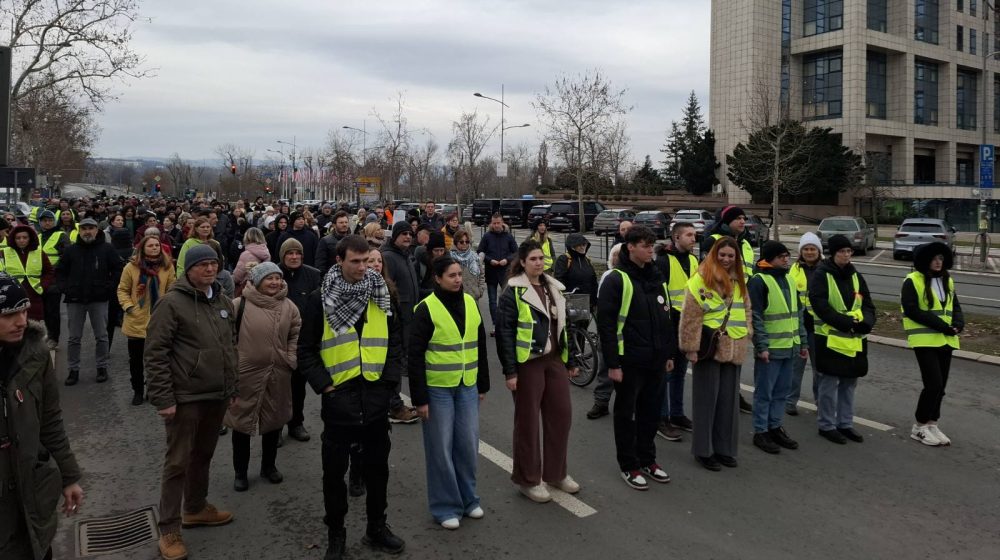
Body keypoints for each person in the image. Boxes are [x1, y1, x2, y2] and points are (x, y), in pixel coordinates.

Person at [297, 235, 407, 560]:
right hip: (339, 400)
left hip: (374, 399)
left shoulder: (381, 294)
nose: (363, 268)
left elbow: (395, 342)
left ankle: (377, 527)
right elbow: (305, 351)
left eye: (366, 260)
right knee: (334, 475)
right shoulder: (320, 298)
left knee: (377, 470)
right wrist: (326, 388)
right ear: (339, 261)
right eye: (355, 262)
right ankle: (337, 533)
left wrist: (389, 385)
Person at [145, 244, 238, 560]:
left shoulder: (223, 301)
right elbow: (155, 353)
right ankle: (169, 530)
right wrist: (163, 398)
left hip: (216, 394)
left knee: (203, 454)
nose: (210, 269)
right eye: (203, 265)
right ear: (188, 269)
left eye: (214, 264)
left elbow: (230, 346)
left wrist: (232, 385)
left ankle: (196, 507)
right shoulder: (171, 303)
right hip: (185, 397)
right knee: (177, 463)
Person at [0, 273, 84, 560]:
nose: (22, 321)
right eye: (9, 314)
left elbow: (50, 421)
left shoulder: (36, 354)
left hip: (33, 490)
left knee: (38, 549)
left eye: (23, 310)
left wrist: (69, 477)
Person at [408, 257, 490, 529]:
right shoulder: (426, 309)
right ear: (438, 278)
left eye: (459, 275)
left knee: (468, 444)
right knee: (440, 448)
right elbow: (415, 357)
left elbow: (479, 345)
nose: (457, 280)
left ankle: (469, 499)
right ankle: (445, 507)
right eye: (452, 275)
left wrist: (483, 385)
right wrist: (419, 399)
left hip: (467, 385)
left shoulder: (470, 302)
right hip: (438, 389)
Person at [497, 240, 580, 501]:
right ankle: (528, 479)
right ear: (522, 262)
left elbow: (563, 327)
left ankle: (556, 473)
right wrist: (511, 372)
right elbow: (505, 333)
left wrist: (570, 361)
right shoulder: (513, 291)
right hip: (528, 363)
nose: (538, 263)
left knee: (561, 415)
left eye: (541, 258)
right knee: (528, 422)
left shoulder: (553, 287)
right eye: (533, 259)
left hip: (554, 359)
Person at [597, 226, 675, 490]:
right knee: (626, 415)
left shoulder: (656, 277)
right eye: (645, 245)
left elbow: (666, 318)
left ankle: (648, 459)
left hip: (655, 359)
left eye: (652, 245)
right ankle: (628, 465)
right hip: (629, 361)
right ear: (630, 247)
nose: (650, 249)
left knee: (650, 414)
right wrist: (613, 364)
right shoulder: (616, 279)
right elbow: (606, 327)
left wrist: (668, 353)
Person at [226, 262, 301, 491]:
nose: (275, 282)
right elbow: (226, 338)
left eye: (278, 278)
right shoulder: (239, 304)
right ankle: (240, 472)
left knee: (273, 421)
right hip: (245, 374)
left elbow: (295, 332)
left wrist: (290, 357)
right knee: (241, 424)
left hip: (278, 373)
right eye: (269, 278)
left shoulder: (289, 306)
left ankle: (269, 466)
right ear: (257, 281)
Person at [679, 236, 752, 472]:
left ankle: (724, 449)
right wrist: (690, 348)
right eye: (722, 255)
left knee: (728, 404)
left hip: (735, 346)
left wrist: (747, 333)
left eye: (731, 256)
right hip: (709, 347)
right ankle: (704, 451)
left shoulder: (740, 281)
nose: (727, 259)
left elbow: (747, 310)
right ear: (714, 254)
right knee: (706, 402)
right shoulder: (701, 279)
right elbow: (691, 316)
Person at [809, 234, 875, 445]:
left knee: (849, 383)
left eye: (849, 251)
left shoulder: (856, 275)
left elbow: (868, 304)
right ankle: (827, 425)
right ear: (833, 253)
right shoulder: (822, 274)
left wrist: (866, 323)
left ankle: (845, 423)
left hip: (854, 338)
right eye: (842, 252)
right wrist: (845, 322)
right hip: (830, 338)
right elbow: (820, 305)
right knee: (829, 384)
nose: (846, 256)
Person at [747, 241, 807, 455]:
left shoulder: (789, 280)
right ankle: (761, 431)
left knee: (781, 392)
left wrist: (803, 342)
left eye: (787, 256)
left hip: (790, 347)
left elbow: (798, 314)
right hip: (770, 350)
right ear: (769, 258)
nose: (786, 259)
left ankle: (775, 426)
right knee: (765, 393)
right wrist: (761, 346)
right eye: (781, 256)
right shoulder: (758, 281)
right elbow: (756, 317)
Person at [901, 242, 962, 446]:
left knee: (941, 386)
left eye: (941, 259)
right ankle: (918, 427)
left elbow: (955, 306)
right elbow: (912, 310)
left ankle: (932, 423)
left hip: (946, 339)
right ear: (925, 260)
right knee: (933, 384)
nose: (938, 262)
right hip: (925, 339)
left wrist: (958, 324)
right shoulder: (912, 280)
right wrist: (942, 326)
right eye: (934, 258)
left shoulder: (947, 280)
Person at [701, 206, 755, 414]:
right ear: (727, 220)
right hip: (719, 306)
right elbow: (706, 274)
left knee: (735, 355)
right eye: (738, 218)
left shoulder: (746, 244)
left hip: (740, 307)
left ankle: (733, 394)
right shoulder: (713, 240)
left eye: (744, 218)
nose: (743, 221)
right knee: (717, 355)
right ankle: (715, 399)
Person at [56, 218, 122, 386]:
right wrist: (65, 288)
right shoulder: (71, 250)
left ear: (96, 230)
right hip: (75, 299)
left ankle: (102, 367)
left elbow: (117, 269)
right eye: (84, 228)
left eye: (91, 228)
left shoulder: (107, 249)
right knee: (74, 338)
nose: (87, 231)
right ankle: (73, 370)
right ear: (79, 231)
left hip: (99, 299)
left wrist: (108, 288)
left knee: (101, 336)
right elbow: (60, 272)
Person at [651, 222, 699, 441]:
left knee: (679, 372)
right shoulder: (663, 262)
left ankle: (677, 414)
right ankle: (661, 418)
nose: (693, 239)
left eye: (695, 235)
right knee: (666, 373)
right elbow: (658, 297)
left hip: (687, 325)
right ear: (676, 238)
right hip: (669, 325)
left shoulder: (692, 259)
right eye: (689, 235)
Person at [118, 235, 176, 406]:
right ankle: (137, 390)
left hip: (160, 320)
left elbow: (173, 287)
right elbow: (123, 289)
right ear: (142, 248)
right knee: (136, 361)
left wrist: (169, 308)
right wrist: (129, 307)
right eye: (150, 245)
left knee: (158, 361)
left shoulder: (167, 267)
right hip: (137, 320)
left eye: (157, 245)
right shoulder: (131, 267)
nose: (154, 248)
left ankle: (153, 389)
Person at [278, 238, 322, 443]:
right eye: (290, 253)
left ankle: (296, 422)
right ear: (282, 256)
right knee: (277, 387)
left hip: (303, 341)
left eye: (298, 253)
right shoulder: (274, 275)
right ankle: (274, 428)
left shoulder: (313, 275)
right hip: (278, 340)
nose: (294, 257)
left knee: (298, 386)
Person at [380, 222, 421, 424]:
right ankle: (393, 407)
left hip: (409, 319)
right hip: (397, 320)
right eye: (403, 234)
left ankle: (395, 402)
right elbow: (389, 292)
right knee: (394, 364)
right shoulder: (388, 257)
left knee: (402, 360)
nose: (407, 237)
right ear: (395, 236)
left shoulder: (407, 256)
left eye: (410, 234)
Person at [786, 232, 823, 414]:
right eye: (806, 249)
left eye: (813, 249)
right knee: (796, 367)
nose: (809, 252)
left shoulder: (825, 270)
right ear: (801, 252)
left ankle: (821, 402)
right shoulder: (794, 269)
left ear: (819, 251)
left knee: (820, 369)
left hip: (819, 326)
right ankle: (790, 402)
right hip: (799, 325)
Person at [586, 243, 623, 420]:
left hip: (626, 333)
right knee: (605, 368)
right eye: (614, 255)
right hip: (609, 331)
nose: (616, 258)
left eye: (619, 255)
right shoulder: (609, 276)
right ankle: (601, 403)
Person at [3, 225, 55, 329]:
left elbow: (49, 271)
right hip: (13, 295)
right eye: (18, 238)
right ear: (13, 239)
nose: (21, 240)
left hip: (34, 294)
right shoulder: (3, 253)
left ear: (30, 238)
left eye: (25, 237)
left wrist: (42, 285)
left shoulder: (39, 252)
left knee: (34, 327)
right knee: (15, 325)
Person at [477, 214, 518, 335]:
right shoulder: (487, 236)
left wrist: (507, 260)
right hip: (491, 272)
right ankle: (495, 324)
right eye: (494, 223)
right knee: (492, 301)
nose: (496, 225)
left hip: (505, 272)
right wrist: (489, 260)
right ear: (491, 223)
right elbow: (480, 251)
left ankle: (506, 324)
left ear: (502, 223)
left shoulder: (508, 236)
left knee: (506, 299)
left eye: (498, 223)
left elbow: (516, 252)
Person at [36, 211, 68, 350]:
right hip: (38, 278)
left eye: (49, 220)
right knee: (41, 310)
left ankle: (54, 338)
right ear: (40, 222)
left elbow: (66, 256)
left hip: (54, 279)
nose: (47, 223)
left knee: (52, 311)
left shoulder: (61, 235)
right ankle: (45, 336)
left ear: (54, 221)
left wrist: (53, 270)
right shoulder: (37, 236)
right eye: (44, 220)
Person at [553, 233, 598, 308]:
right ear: (572, 247)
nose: (583, 247)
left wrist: (595, 300)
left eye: (584, 244)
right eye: (579, 245)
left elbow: (593, 280)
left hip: (588, 303)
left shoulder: (586, 259)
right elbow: (559, 280)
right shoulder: (564, 259)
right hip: (572, 303)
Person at [449, 229, 485, 301]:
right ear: (456, 243)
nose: (465, 243)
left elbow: (481, 274)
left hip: (474, 296)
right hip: (456, 297)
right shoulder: (450, 258)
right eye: (461, 242)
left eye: (467, 241)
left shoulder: (474, 256)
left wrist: (480, 291)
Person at [233, 227, 270, 297]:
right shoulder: (266, 251)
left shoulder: (246, 254)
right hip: (262, 288)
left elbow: (238, 277)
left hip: (247, 289)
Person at [316, 211, 351, 276]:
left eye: (346, 222)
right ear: (334, 225)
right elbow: (320, 264)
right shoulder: (325, 241)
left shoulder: (353, 240)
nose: (344, 224)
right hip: (332, 278)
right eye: (341, 222)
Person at [416, 231, 447, 298]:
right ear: (430, 251)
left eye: (441, 250)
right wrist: (435, 292)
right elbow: (415, 289)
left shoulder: (448, 265)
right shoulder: (420, 265)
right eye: (436, 251)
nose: (439, 254)